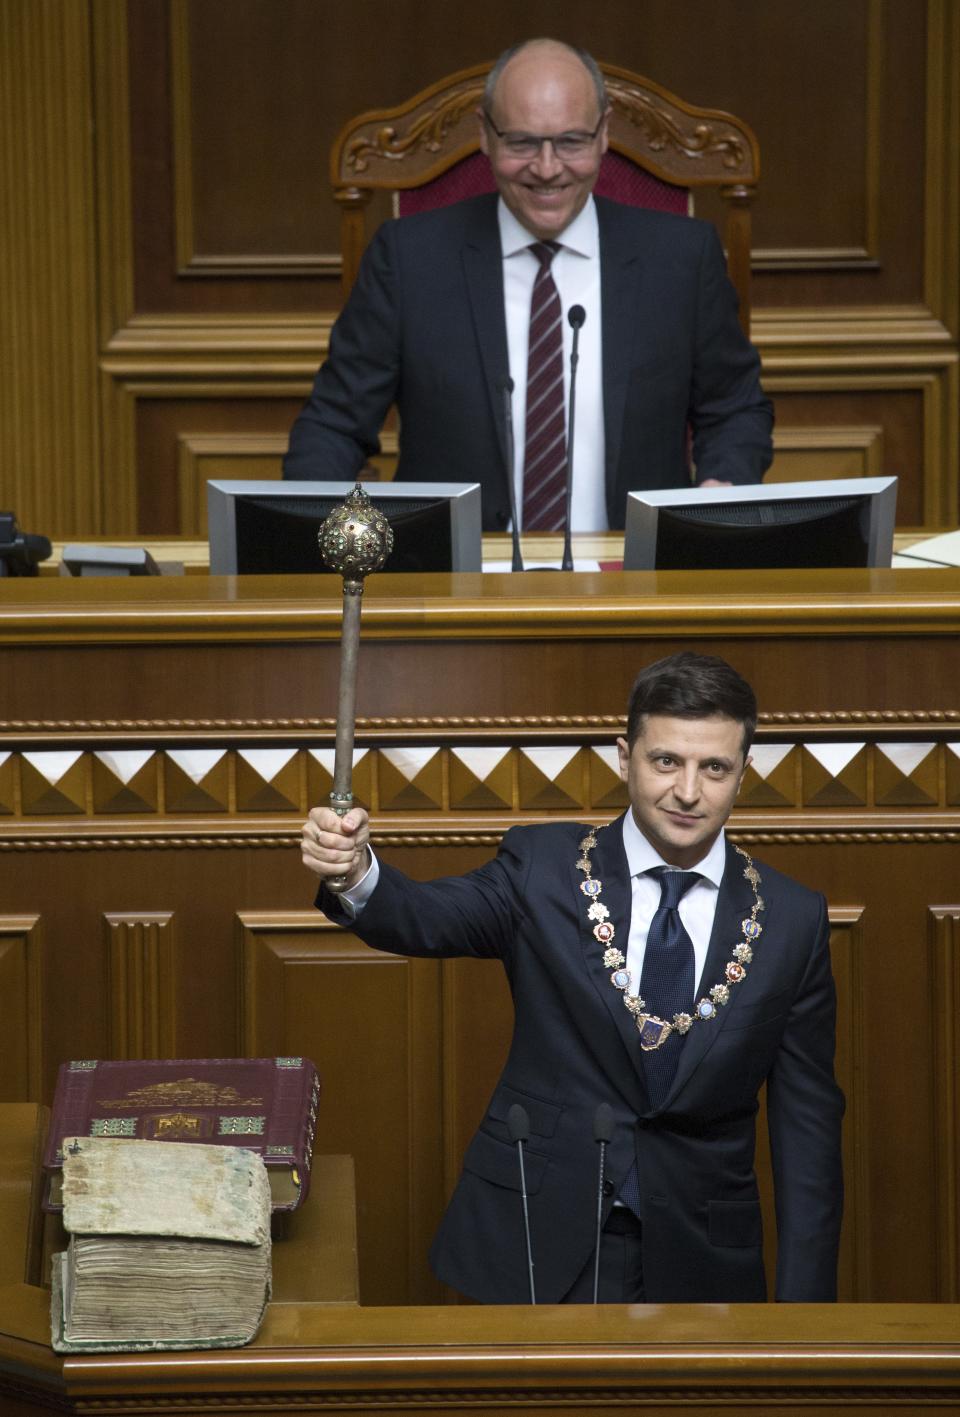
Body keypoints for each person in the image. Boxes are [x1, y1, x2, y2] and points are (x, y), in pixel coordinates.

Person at [301, 652, 844, 1304]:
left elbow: (808, 1132)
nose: (689, 791)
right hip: (537, 1239)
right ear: (625, 755)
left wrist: (806, 1317)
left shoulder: (792, 918)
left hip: (704, 1259)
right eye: (666, 760)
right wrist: (357, 871)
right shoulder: (544, 866)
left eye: (715, 767)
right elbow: (425, 917)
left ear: (744, 772)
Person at [284, 39, 773, 533]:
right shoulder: (409, 259)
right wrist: (317, 532)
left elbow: (735, 408)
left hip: (631, 580)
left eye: (571, 142)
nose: (546, 168)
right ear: (485, 135)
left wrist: (722, 487)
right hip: (457, 582)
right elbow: (335, 424)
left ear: (604, 133)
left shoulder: (682, 258)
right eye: (521, 143)